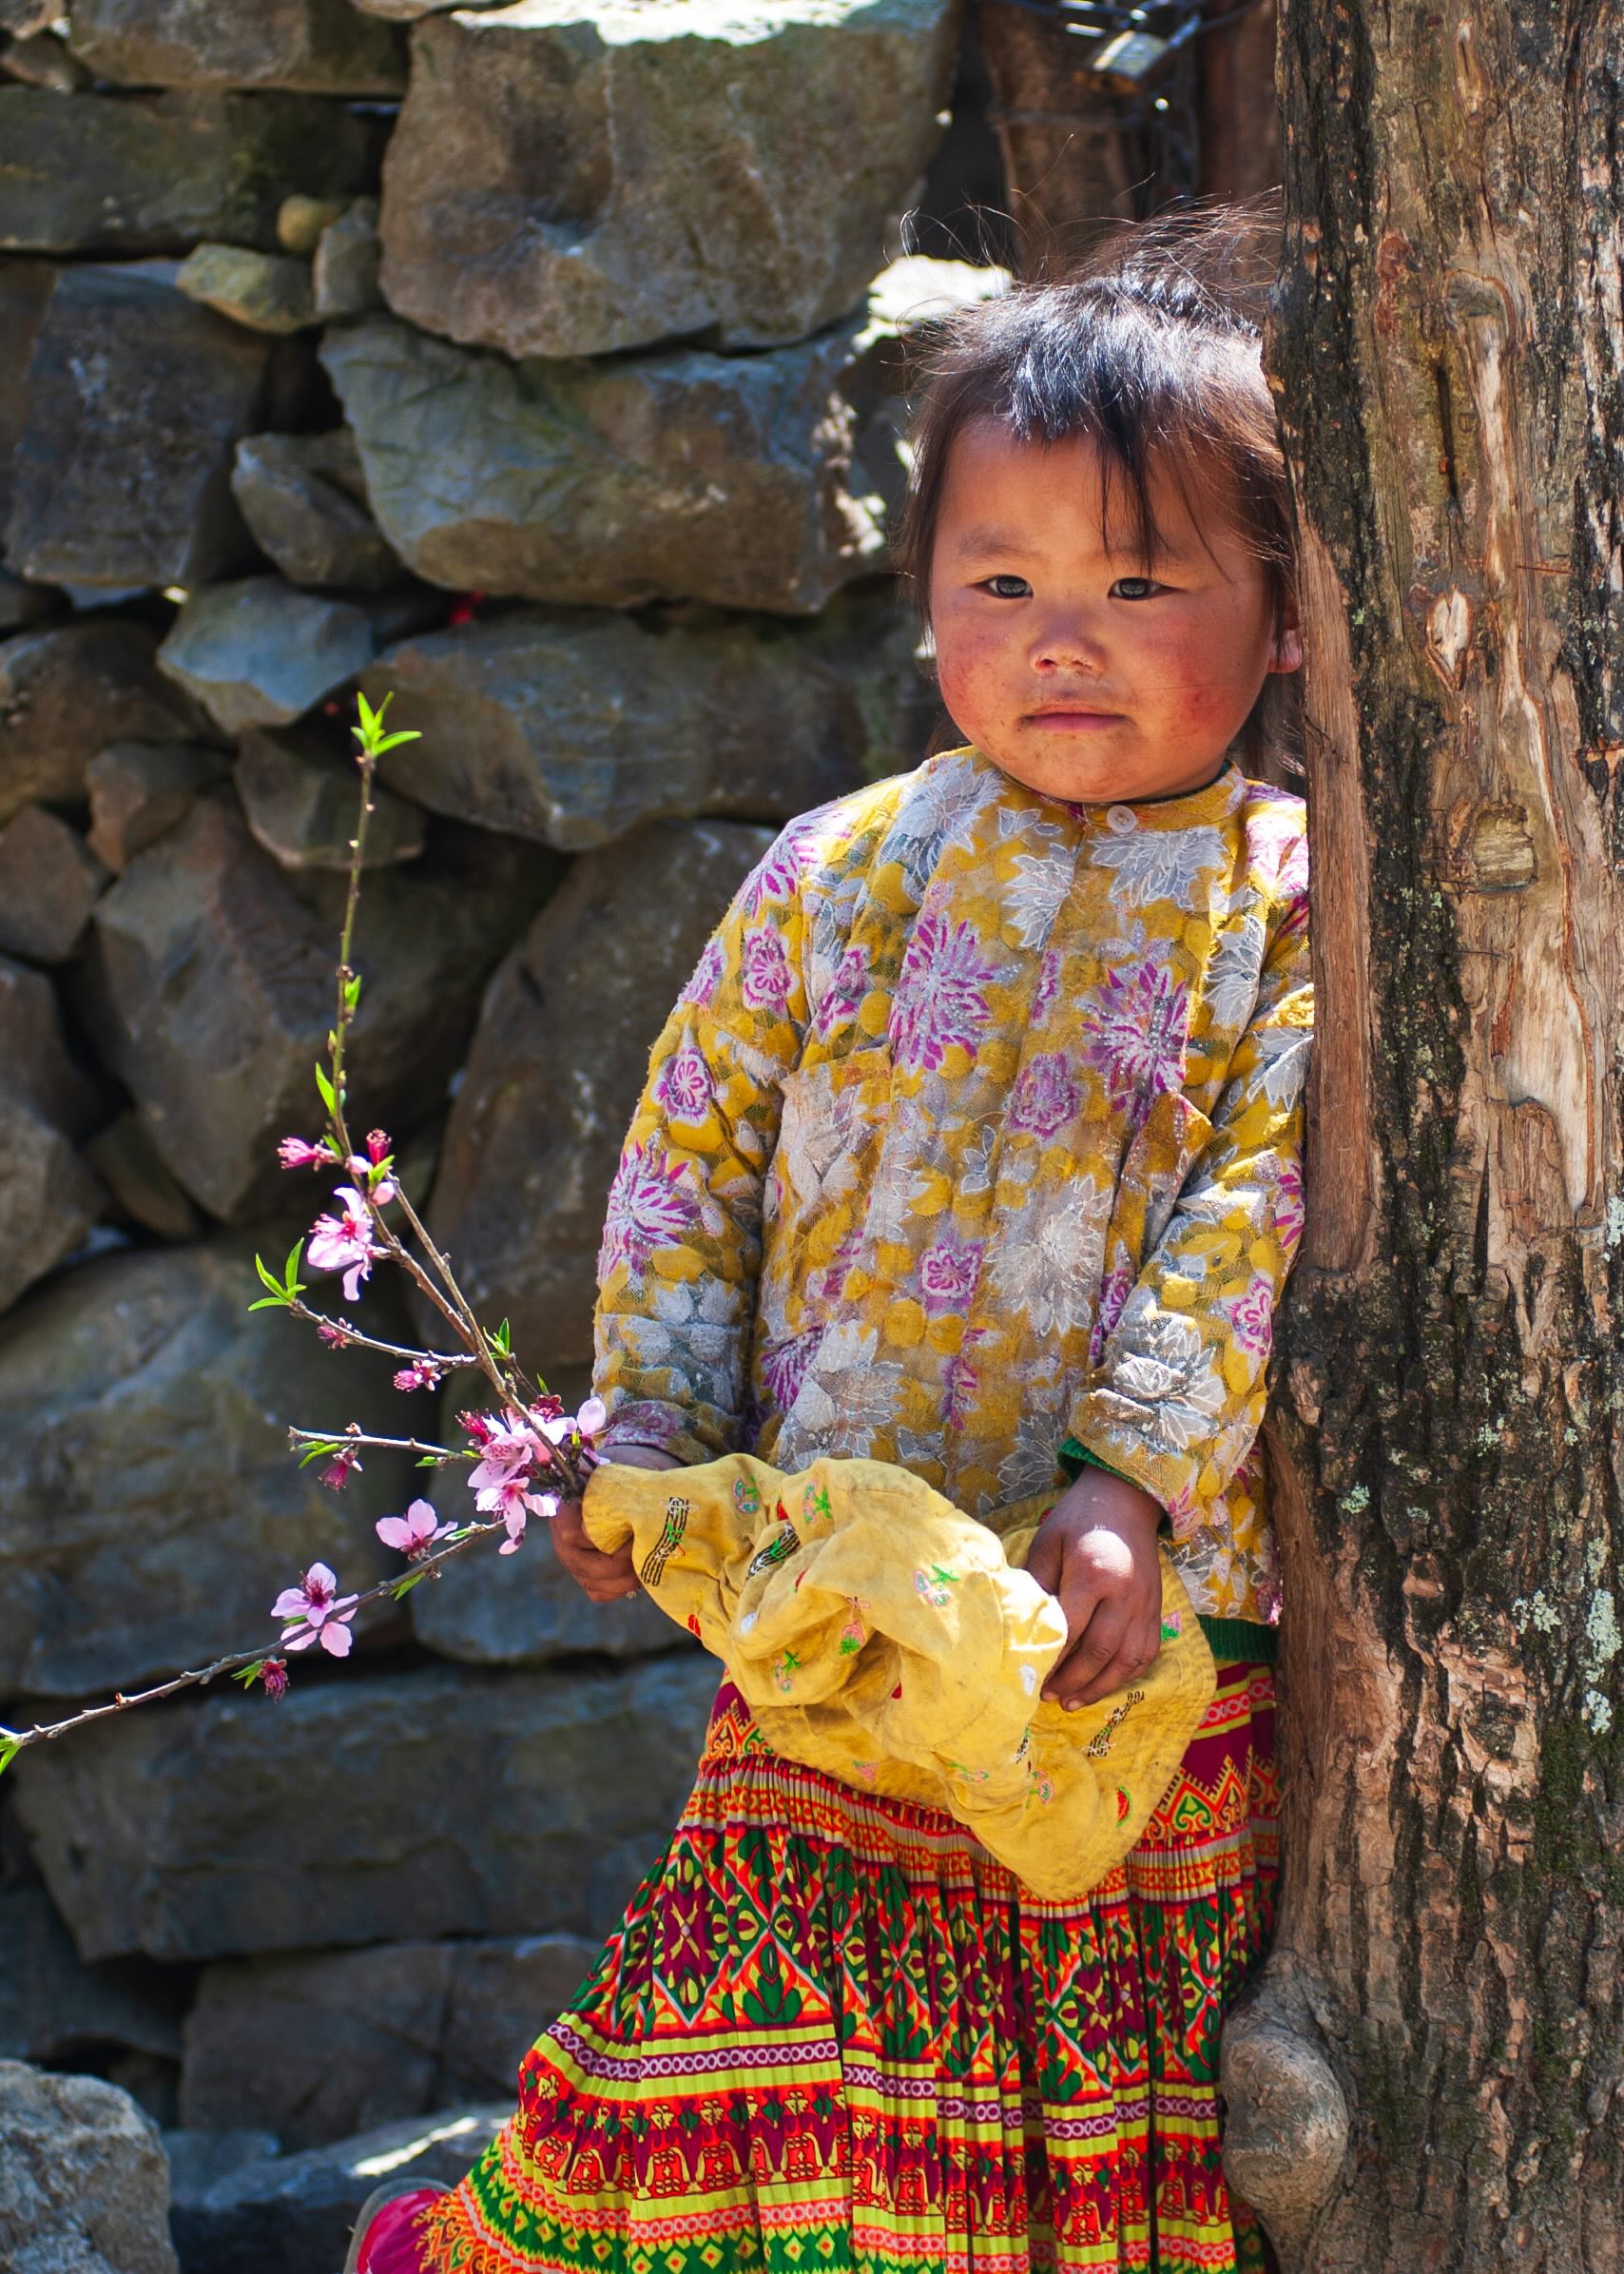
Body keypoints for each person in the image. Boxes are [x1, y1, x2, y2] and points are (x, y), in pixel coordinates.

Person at [353, 205, 1310, 2274]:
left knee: (1066, 2098)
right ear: (926, 598)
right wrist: (647, 1427)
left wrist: (1133, 1478)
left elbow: (1260, 1193)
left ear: (1289, 615)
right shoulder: (838, 873)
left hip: (1115, 1633)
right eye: (1004, 581)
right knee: (753, 2036)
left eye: (1140, 581)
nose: (1063, 636)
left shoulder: (1287, 903)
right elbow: (687, 1163)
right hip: (829, 1608)